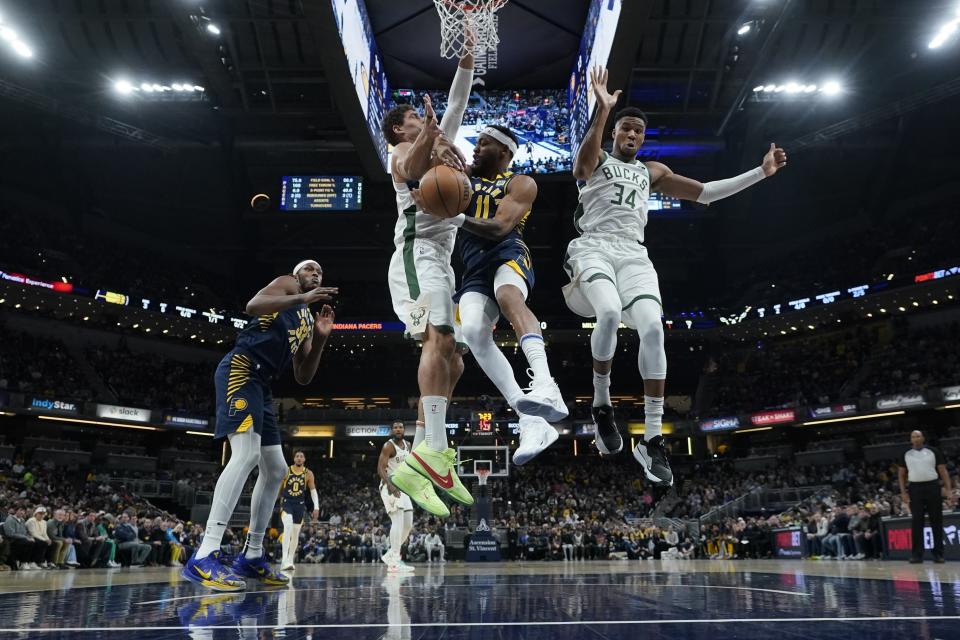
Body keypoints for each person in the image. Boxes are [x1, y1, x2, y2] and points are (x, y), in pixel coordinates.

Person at [566, 66, 788, 486]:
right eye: (625, 129)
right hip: (593, 246)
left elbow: (706, 192)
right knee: (609, 314)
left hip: (634, 255)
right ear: (615, 133)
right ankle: (601, 406)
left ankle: (652, 441)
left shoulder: (653, 171)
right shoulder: (597, 155)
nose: (632, 136)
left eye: (638, 132)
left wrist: (761, 173)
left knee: (653, 329)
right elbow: (580, 169)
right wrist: (602, 110)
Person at [412, 125, 567, 466]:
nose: (476, 148)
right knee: (474, 333)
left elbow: (498, 228)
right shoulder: (462, 177)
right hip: (473, 267)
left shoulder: (520, 183)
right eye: (476, 143)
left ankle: (544, 382)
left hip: (507, 252)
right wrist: (436, 143)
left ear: (505, 152)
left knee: (509, 296)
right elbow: (433, 156)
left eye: (484, 143)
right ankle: (532, 421)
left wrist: (451, 216)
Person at [182, 260, 336, 591]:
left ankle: (252, 555)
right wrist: (300, 299)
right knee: (246, 454)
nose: (316, 274)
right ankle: (205, 553)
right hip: (241, 367)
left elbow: (303, 376)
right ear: (298, 275)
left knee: (277, 469)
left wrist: (321, 338)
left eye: (320, 273)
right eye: (310, 269)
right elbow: (253, 306)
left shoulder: (307, 319)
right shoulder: (287, 285)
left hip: (263, 385)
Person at [380, 44, 476, 517]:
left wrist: (466, 61)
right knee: (439, 339)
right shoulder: (400, 149)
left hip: (443, 258)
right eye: (415, 117)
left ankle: (417, 460)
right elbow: (408, 170)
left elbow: (457, 103)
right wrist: (428, 136)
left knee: (455, 361)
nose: (424, 118)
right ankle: (433, 449)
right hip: (417, 257)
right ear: (401, 127)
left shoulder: (438, 142)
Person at [898, 430, 955, 563]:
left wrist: (948, 489)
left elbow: (943, 471)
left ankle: (938, 554)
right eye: (913, 437)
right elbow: (901, 475)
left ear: (923, 438)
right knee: (917, 521)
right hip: (915, 488)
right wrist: (903, 492)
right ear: (910, 439)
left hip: (933, 487)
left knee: (937, 520)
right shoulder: (906, 454)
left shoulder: (933, 451)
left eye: (918, 436)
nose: (916, 439)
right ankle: (917, 555)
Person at [377, 421, 416, 573]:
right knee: (397, 521)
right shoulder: (388, 446)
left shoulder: (408, 444)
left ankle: (390, 555)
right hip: (390, 486)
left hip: (404, 487)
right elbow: (380, 468)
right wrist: (390, 485)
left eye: (400, 427)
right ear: (392, 431)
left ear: (404, 430)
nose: (398, 429)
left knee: (407, 524)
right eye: (395, 428)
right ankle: (394, 561)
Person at [278, 449, 319, 573]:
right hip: (287, 502)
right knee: (288, 525)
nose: (299, 458)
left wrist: (316, 507)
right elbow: (279, 487)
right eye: (297, 456)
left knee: (295, 533)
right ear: (294, 458)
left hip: (299, 505)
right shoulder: (286, 471)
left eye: (301, 456)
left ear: (304, 459)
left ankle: (290, 560)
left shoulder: (308, 473)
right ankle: (284, 559)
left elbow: (313, 491)